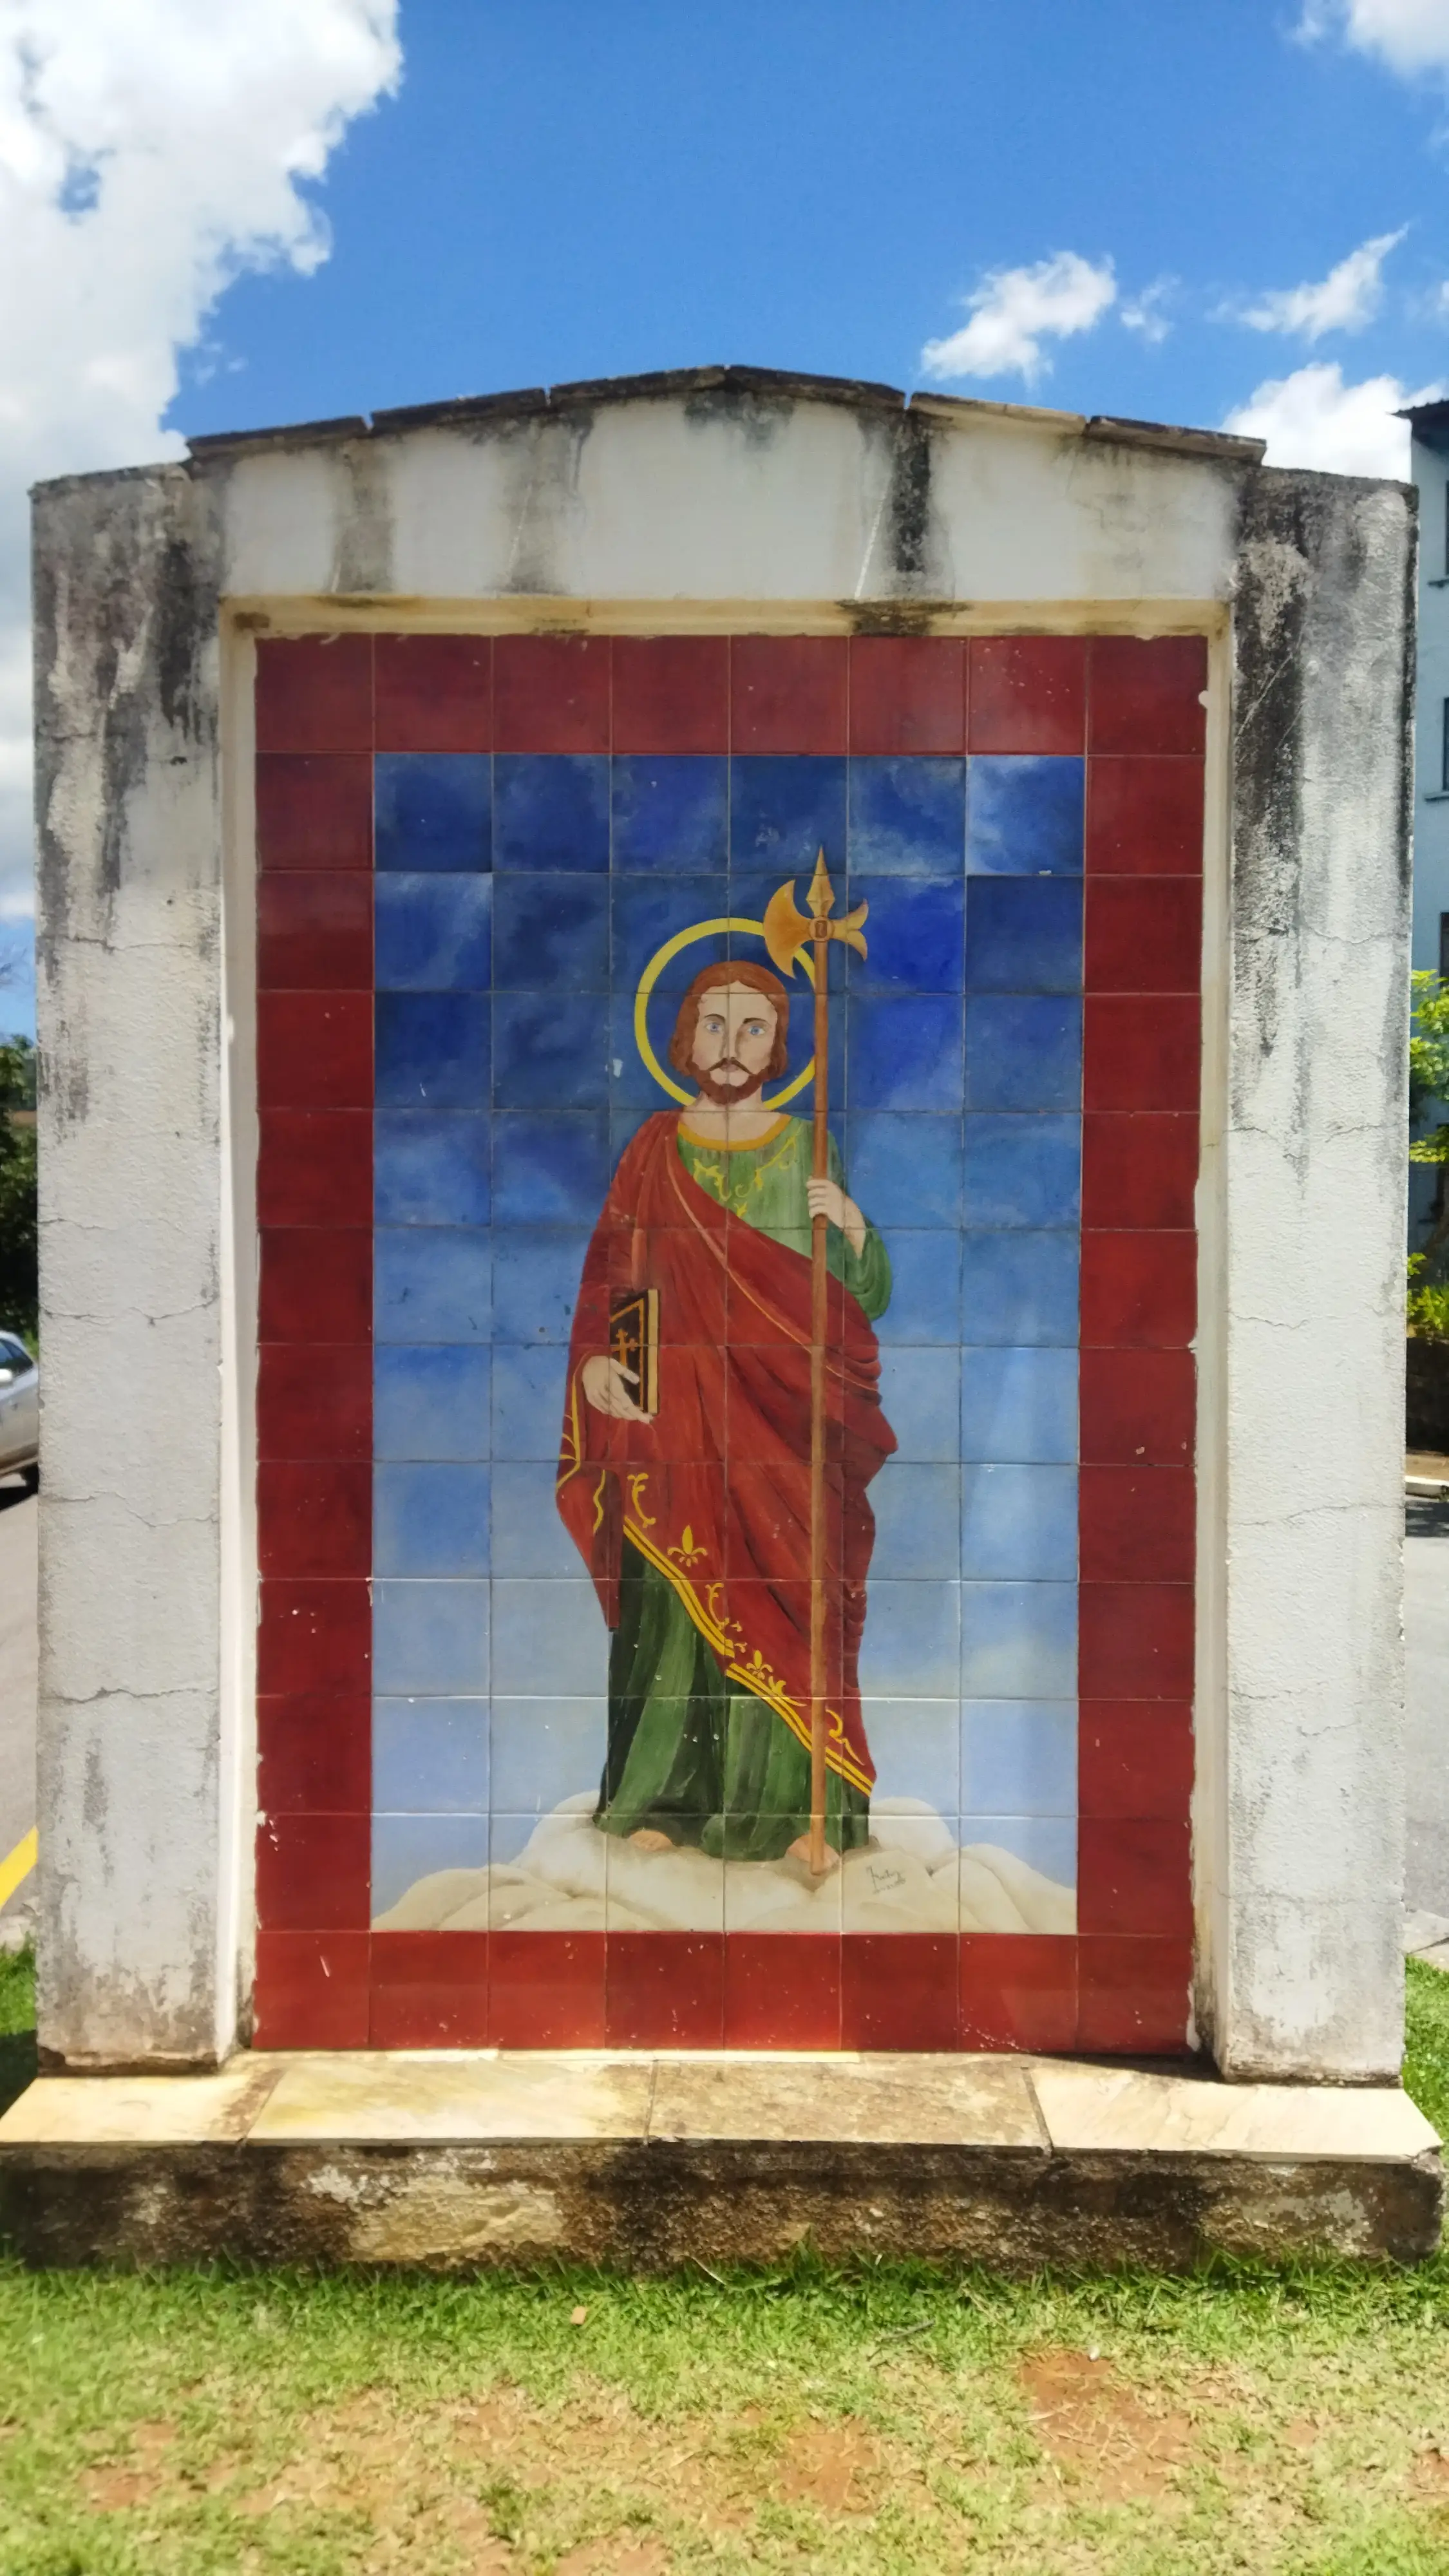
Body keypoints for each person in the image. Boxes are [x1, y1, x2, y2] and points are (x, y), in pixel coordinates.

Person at [556, 959, 895, 1870]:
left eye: (752, 1028)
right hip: (672, 1419)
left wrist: (855, 1230)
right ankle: (660, 1798)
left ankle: (786, 1813)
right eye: (714, 1025)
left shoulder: (804, 1147)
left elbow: (858, 1303)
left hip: (782, 1423)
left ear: (778, 1044)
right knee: (670, 1601)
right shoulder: (655, 1149)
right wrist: (605, 1367)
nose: (731, 1048)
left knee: (791, 1598)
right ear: (682, 1037)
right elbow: (619, 1275)